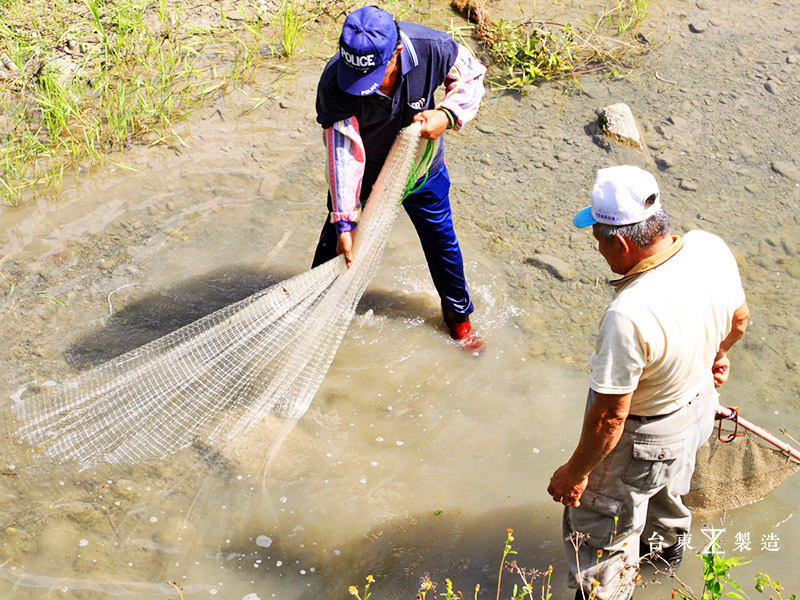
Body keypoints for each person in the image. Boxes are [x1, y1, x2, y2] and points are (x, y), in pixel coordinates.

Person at [547, 165, 750, 600]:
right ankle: (664, 569)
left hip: (642, 435)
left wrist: (575, 473)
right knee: (667, 498)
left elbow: (609, 419)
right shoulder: (708, 247)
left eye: (599, 239)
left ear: (619, 242)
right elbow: (739, 319)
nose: (599, 249)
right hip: (696, 408)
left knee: (599, 538)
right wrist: (717, 354)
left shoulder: (629, 314)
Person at [311, 6, 486, 353]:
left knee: (442, 242)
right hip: (365, 174)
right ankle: (316, 311)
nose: (362, 89)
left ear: (398, 53)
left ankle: (459, 320)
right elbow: (342, 150)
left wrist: (447, 114)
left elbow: (472, 76)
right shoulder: (334, 80)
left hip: (421, 170)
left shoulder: (432, 47)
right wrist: (346, 219)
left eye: (375, 74)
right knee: (336, 245)